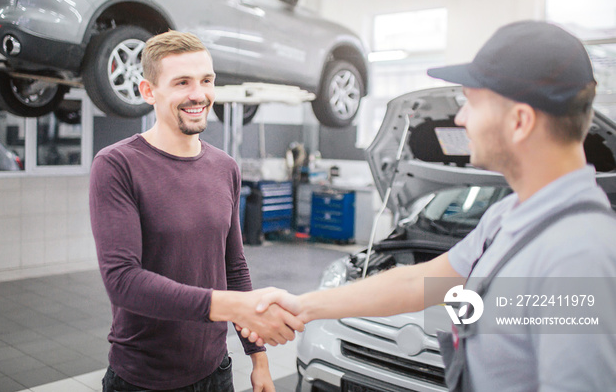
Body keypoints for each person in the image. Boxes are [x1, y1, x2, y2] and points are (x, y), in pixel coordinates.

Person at [247, 21, 616, 391]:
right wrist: (303, 306)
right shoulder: (509, 217)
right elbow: (419, 281)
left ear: (520, 121)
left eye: (471, 103)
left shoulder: (580, 255)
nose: (460, 119)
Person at [89, 30, 303, 392]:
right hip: (144, 379)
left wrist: (258, 357)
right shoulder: (117, 165)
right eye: (182, 82)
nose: (199, 95)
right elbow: (123, 282)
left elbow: (233, 267)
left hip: (216, 372)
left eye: (207, 80)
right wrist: (230, 306)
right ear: (148, 92)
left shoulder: (225, 167)